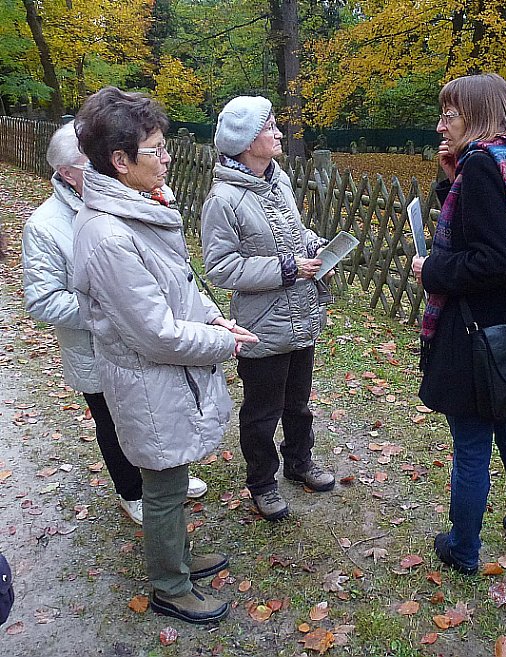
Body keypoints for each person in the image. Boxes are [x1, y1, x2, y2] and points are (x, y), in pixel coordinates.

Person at [72, 87, 258, 624]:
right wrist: (224, 342)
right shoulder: (109, 236)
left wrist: (214, 316)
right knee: (161, 483)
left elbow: (180, 283)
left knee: (172, 479)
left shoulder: (140, 211)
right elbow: (154, 333)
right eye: (156, 148)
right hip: (150, 382)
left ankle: (175, 558)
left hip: (166, 381)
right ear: (120, 161)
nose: (167, 156)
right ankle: (169, 586)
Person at [22, 123, 209, 526]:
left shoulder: (140, 198)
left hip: (144, 336)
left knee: (155, 413)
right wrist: (109, 312)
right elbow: (42, 299)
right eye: (91, 161)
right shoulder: (45, 225)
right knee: (115, 421)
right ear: (68, 172)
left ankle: (165, 479)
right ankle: (131, 490)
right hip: (94, 349)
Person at [411, 73, 506, 575]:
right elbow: (491, 226)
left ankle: (463, 547)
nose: (439, 125)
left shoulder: (481, 167)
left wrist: (431, 269)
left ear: (474, 116)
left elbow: (499, 258)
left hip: (476, 332)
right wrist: (450, 178)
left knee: (472, 440)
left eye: (448, 115)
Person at [201, 96, 335, 522]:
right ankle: (262, 482)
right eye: (270, 127)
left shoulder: (280, 182)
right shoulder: (223, 200)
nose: (278, 133)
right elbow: (220, 267)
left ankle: (300, 462)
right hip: (260, 325)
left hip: (302, 315)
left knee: (298, 404)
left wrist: (313, 247)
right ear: (244, 141)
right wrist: (285, 268)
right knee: (262, 412)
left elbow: (294, 232)